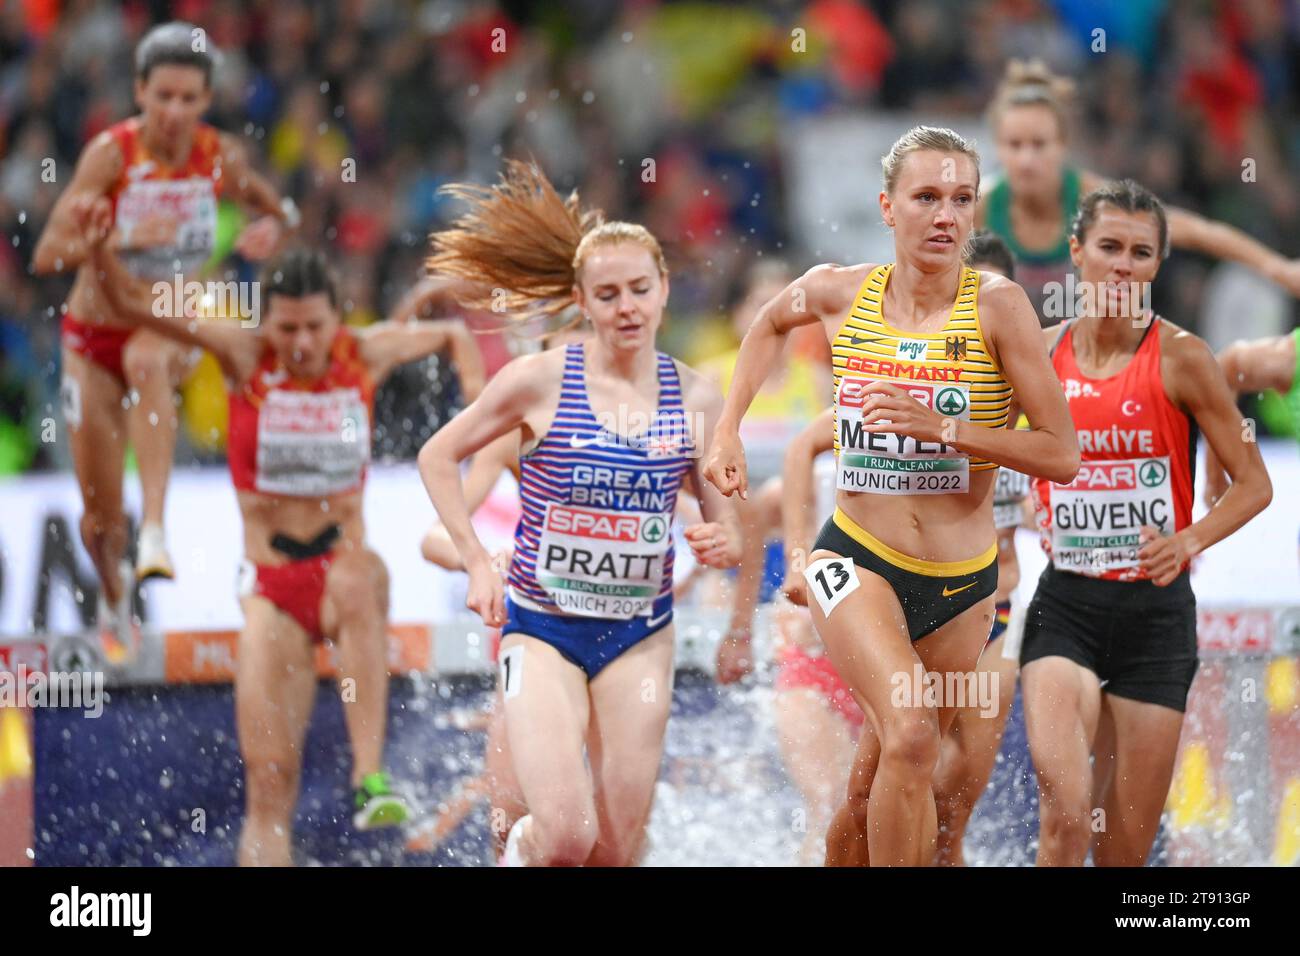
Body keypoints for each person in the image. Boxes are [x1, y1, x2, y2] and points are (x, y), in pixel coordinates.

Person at [705, 126, 1080, 867]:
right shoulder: (842, 292)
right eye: (927, 197)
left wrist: (945, 426)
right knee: (911, 732)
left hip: (963, 582)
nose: (946, 215)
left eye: (962, 200)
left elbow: (1060, 452)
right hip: (859, 558)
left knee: (875, 783)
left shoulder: (1000, 309)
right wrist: (726, 432)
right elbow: (769, 323)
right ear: (887, 206)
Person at [81, 221, 484, 864]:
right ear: (265, 324)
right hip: (269, 586)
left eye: (315, 328)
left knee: (361, 576)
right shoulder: (243, 355)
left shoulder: (363, 351)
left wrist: (475, 406)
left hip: (340, 572)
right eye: (287, 328)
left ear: (337, 320)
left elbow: (455, 334)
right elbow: (132, 307)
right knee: (269, 787)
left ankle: (368, 775)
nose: (301, 343)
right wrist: (100, 248)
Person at [418, 160, 741, 866]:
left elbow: (725, 513)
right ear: (582, 301)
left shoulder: (698, 399)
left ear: (663, 293)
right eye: (608, 294)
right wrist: (477, 562)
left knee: (617, 850)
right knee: (565, 835)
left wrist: (724, 536)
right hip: (542, 631)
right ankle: (518, 855)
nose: (626, 307)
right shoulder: (536, 381)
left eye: (639, 290)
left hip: (639, 635)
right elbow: (437, 456)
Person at [1020, 180, 1271, 867]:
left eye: (1139, 252)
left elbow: (1255, 485)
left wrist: (1188, 539)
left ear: (1157, 264)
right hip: (1065, 608)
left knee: (1123, 855)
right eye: (1109, 248)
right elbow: (995, 458)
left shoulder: (1184, 358)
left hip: (1156, 623)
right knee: (1064, 818)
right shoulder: (1040, 356)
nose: (1122, 266)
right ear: (1077, 253)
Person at [32, 22, 293, 660]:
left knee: (149, 357)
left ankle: (155, 529)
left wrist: (274, 227)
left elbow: (273, 207)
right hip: (91, 337)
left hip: (167, 317)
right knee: (98, 520)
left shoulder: (219, 155)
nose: (175, 113)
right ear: (140, 92)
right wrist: (116, 238)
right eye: (163, 97)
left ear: (206, 101)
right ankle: (117, 589)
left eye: (189, 99)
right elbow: (46, 254)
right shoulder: (111, 155)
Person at [775, 232, 1033, 866]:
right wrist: (799, 557)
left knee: (952, 790)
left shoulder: (1029, 388)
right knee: (893, 771)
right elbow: (806, 444)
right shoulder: (907, 376)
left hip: (984, 608)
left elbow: (1071, 464)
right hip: (883, 584)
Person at [980, 59, 1300, 324]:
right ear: (998, 148)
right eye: (1015, 145)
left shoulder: (1095, 200)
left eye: (1039, 145)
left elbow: (1197, 231)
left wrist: (1277, 267)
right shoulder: (979, 208)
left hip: (1083, 364)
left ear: (1063, 146)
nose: (1026, 160)